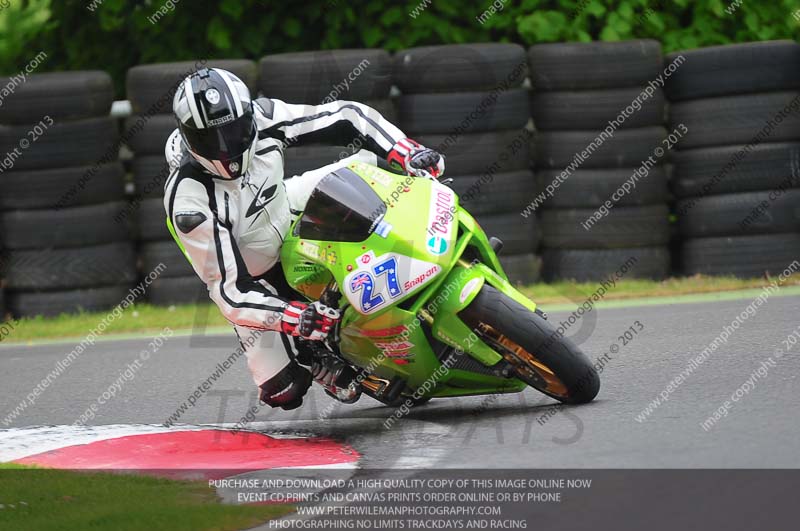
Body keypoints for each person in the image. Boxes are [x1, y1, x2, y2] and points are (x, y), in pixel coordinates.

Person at [163, 67, 445, 410]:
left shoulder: (266, 118)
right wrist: (294, 316)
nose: (225, 149)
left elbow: (347, 116)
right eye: (212, 140)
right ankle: (318, 358)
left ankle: (439, 245)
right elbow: (230, 292)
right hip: (256, 275)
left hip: (288, 206)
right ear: (190, 138)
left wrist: (405, 150)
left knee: (380, 164)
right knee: (284, 390)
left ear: (248, 116)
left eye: (234, 131)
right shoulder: (187, 201)